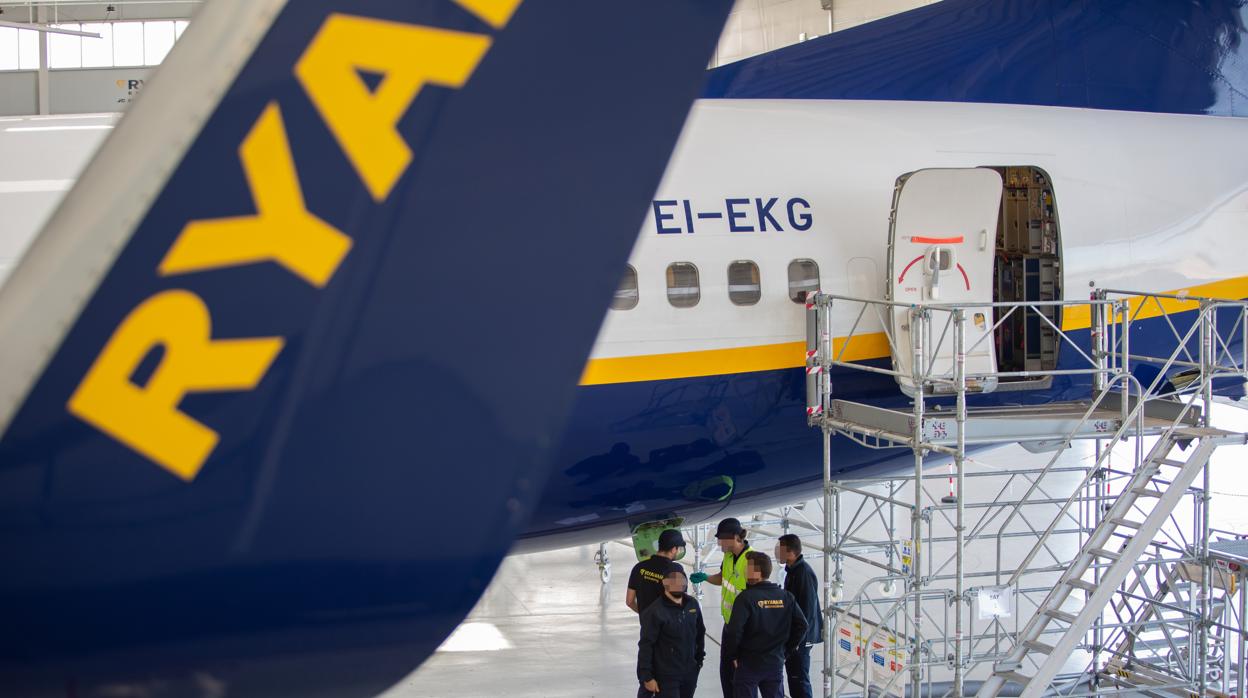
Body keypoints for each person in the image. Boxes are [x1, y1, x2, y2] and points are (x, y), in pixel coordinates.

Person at [722, 551, 808, 698]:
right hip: (774, 662)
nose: (744, 570)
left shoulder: (745, 598)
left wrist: (733, 656)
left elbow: (734, 631)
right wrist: (786, 651)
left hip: (748, 662)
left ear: (757, 572)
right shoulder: (786, 597)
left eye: (748, 567)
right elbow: (802, 625)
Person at [689, 517, 752, 698]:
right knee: (726, 673)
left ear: (734, 537)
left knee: (741, 675)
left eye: (722, 540)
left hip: (745, 629)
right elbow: (722, 578)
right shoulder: (728, 556)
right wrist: (706, 577)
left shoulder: (751, 560)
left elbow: (757, 594)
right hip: (729, 624)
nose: (719, 544)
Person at [637, 568, 706, 698]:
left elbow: (700, 632)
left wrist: (699, 660)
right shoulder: (655, 612)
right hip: (666, 677)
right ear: (665, 583)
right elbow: (646, 645)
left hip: (689, 673)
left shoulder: (692, 604)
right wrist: (647, 677)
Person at [775, 534, 822, 698]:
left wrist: (797, 640)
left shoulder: (803, 573)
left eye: (780, 549)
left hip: (801, 638)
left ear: (790, 552)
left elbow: (807, 611)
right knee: (794, 679)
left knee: (799, 680)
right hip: (795, 636)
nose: (777, 553)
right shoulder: (793, 571)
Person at [628, 529, 686, 617]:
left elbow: (629, 602)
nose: (678, 552)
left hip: (647, 624)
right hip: (670, 625)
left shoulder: (638, 568)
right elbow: (680, 603)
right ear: (674, 549)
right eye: (678, 549)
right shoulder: (675, 569)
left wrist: (647, 615)